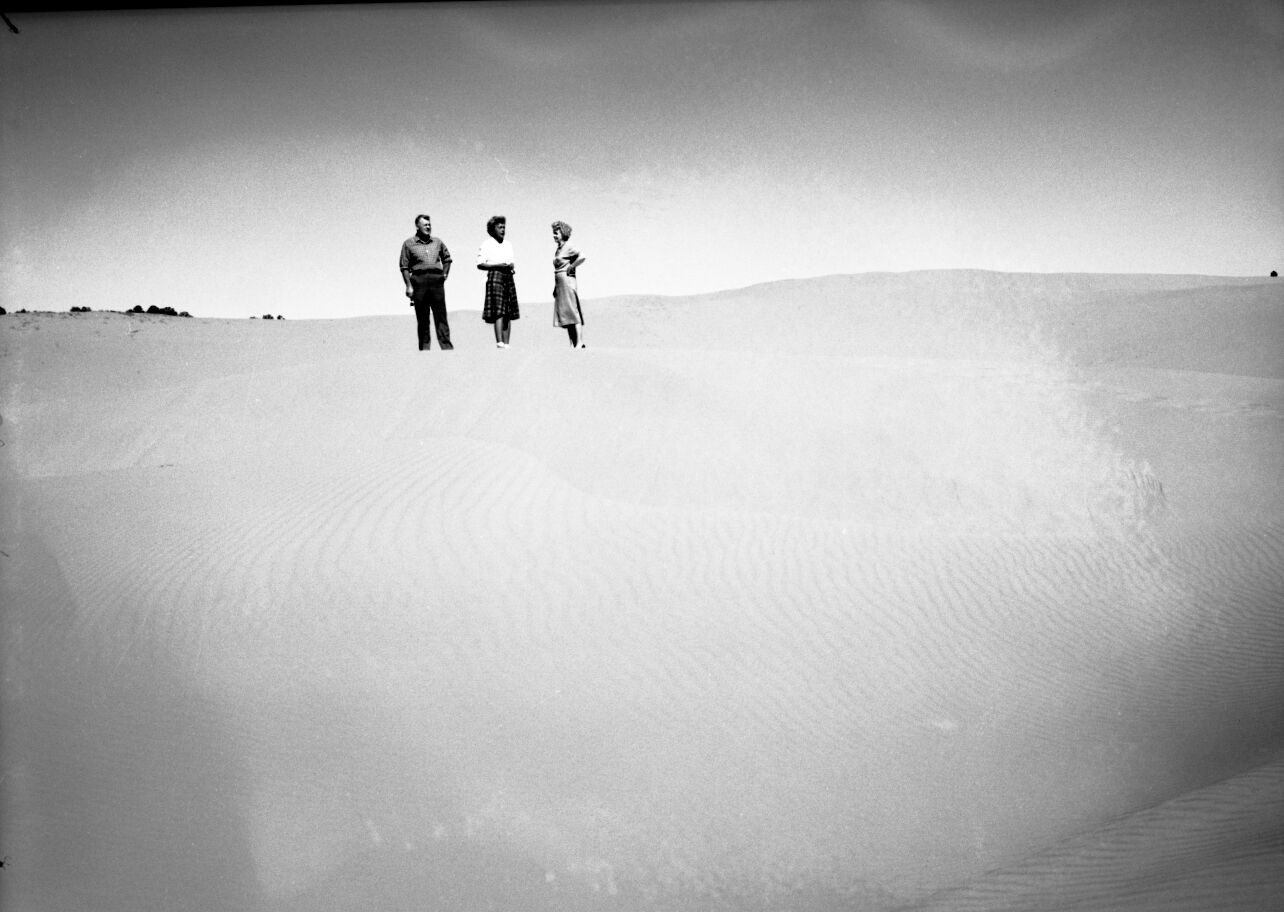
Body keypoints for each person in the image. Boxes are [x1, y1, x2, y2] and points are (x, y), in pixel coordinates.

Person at [399, 214, 453, 350]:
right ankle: (424, 350)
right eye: (425, 225)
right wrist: (409, 286)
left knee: (441, 316)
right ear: (417, 226)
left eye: (429, 224)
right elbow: (404, 266)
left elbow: (447, 259)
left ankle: (447, 348)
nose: (428, 227)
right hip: (419, 280)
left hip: (436, 280)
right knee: (423, 318)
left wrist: (444, 274)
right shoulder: (408, 243)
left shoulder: (437, 242)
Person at [476, 215, 519, 348]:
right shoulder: (487, 244)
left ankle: (507, 343)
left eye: (504, 227)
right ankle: (499, 341)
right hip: (495, 276)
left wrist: (511, 266)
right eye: (500, 227)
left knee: (508, 311)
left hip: (508, 276)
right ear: (492, 229)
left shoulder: (508, 244)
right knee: (499, 310)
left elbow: (511, 260)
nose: (502, 230)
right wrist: (497, 266)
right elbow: (480, 263)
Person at [551, 220, 587, 348]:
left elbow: (582, 256)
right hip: (560, 284)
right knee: (566, 314)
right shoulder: (558, 249)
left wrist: (572, 266)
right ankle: (572, 342)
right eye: (553, 233)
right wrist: (555, 287)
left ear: (563, 233)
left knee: (573, 311)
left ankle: (580, 342)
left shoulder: (569, 246)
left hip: (568, 281)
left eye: (556, 233)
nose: (554, 235)